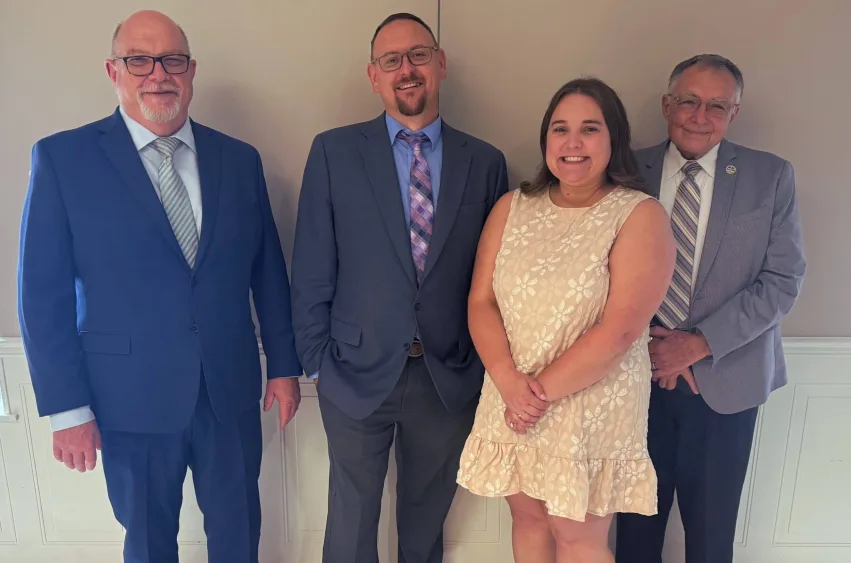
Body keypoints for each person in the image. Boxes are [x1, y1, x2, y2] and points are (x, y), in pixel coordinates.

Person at [16, 10, 302, 563]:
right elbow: (41, 295)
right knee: (147, 543)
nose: (158, 74)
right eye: (139, 60)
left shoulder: (239, 160)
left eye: (172, 60)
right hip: (127, 399)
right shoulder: (63, 159)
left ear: (191, 71)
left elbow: (267, 270)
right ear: (113, 70)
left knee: (240, 533)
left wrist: (285, 366)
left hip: (229, 392)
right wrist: (67, 410)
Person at [290, 12, 509, 563]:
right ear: (374, 75)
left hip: (446, 374)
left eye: (417, 55)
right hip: (353, 372)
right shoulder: (334, 153)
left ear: (440, 64)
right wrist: (317, 363)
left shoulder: (484, 163)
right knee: (351, 522)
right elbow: (312, 263)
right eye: (391, 60)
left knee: (424, 521)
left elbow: (497, 277)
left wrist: (483, 365)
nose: (405, 70)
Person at [455, 77, 676, 563]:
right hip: (512, 391)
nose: (572, 143)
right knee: (530, 521)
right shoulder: (512, 207)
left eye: (589, 129)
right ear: (546, 141)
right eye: (560, 129)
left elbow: (620, 329)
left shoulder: (639, 215)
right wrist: (509, 383)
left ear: (613, 139)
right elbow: (480, 302)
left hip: (589, 402)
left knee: (577, 537)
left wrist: (533, 397)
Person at [615, 54, 806, 563]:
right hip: (635, 382)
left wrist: (697, 346)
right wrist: (650, 347)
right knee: (633, 534)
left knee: (710, 537)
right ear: (666, 105)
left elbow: (782, 281)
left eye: (716, 105)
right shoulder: (625, 171)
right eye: (689, 101)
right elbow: (598, 275)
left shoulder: (771, 177)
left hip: (725, 382)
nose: (700, 116)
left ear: (734, 113)